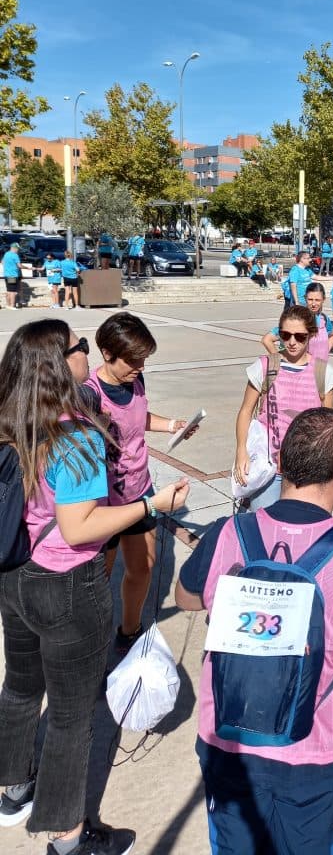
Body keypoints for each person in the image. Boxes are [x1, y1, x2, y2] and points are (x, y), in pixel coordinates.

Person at [176, 408, 333, 855]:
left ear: (279, 461)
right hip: (315, 753)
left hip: (229, 742)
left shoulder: (230, 532)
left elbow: (186, 597)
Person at [0, 319, 188, 852]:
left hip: (14, 576)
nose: (85, 352)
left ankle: (12, 791)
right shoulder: (76, 434)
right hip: (65, 586)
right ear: (64, 361)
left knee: (19, 686)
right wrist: (152, 505)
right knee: (70, 717)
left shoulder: (15, 419)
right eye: (79, 346)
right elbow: (81, 526)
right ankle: (68, 837)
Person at [84, 312, 196, 657]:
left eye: (144, 360)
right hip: (102, 503)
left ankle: (128, 630)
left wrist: (172, 424)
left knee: (143, 568)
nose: (140, 368)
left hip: (139, 490)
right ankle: (93, 642)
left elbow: (138, 416)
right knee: (98, 581)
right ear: (106, 353)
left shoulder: (135, 381)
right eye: (134, 361)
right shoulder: (89, 394)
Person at [234, 305, 333, 510]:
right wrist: (241, 451)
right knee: (264, 529)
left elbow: (329, 425)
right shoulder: (265, 366)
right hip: (269, 468)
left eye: (299, 336)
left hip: (306, 472)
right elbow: (246, 410)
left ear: (311, 335)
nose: (291, 342)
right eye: (285, 335)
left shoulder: (323, 372)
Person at [3, 243, 22, 309]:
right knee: (13, 291)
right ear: (14, 248)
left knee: (8, 290)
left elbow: (2, 262)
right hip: (12, 275)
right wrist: (28, 268)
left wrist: (8, 267)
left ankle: (8, 305)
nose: (18, 250)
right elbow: (19, 266)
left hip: (6, 275)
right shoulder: (15, 255)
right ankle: (12, 305)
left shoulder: (6, 254)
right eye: (18, 249)